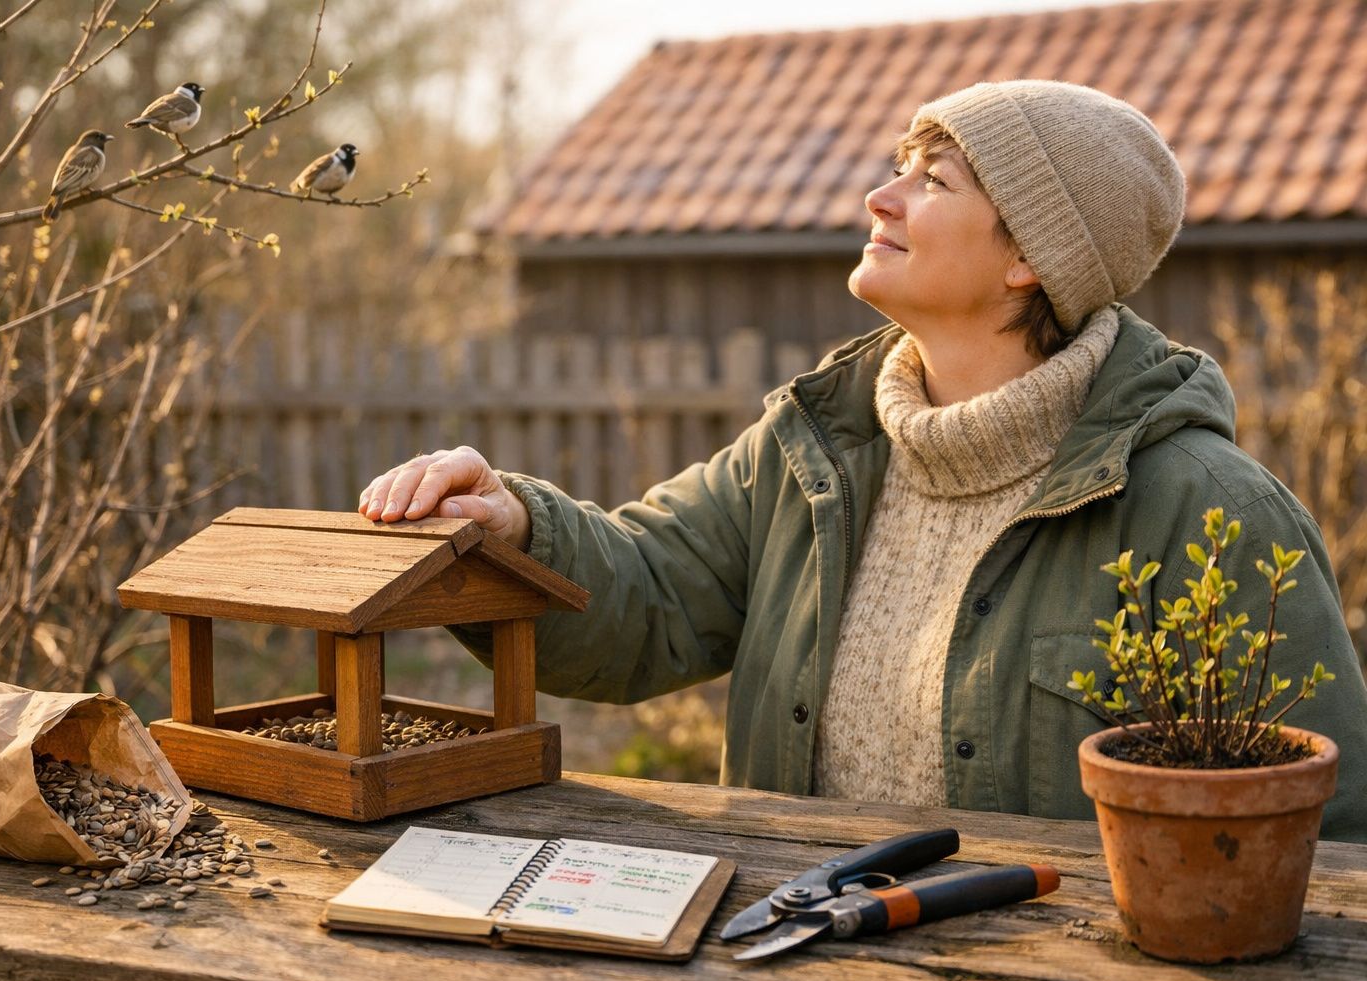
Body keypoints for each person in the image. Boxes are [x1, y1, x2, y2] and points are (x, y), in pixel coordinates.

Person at [359, 80, 1367, 841]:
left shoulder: (1209, 515)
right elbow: (649, 594)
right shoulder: (808, 454)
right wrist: (515, 527)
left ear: (1031, 260)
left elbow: (1326, 838)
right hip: (793, 971)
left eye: (933, 181)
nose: (880, 197)